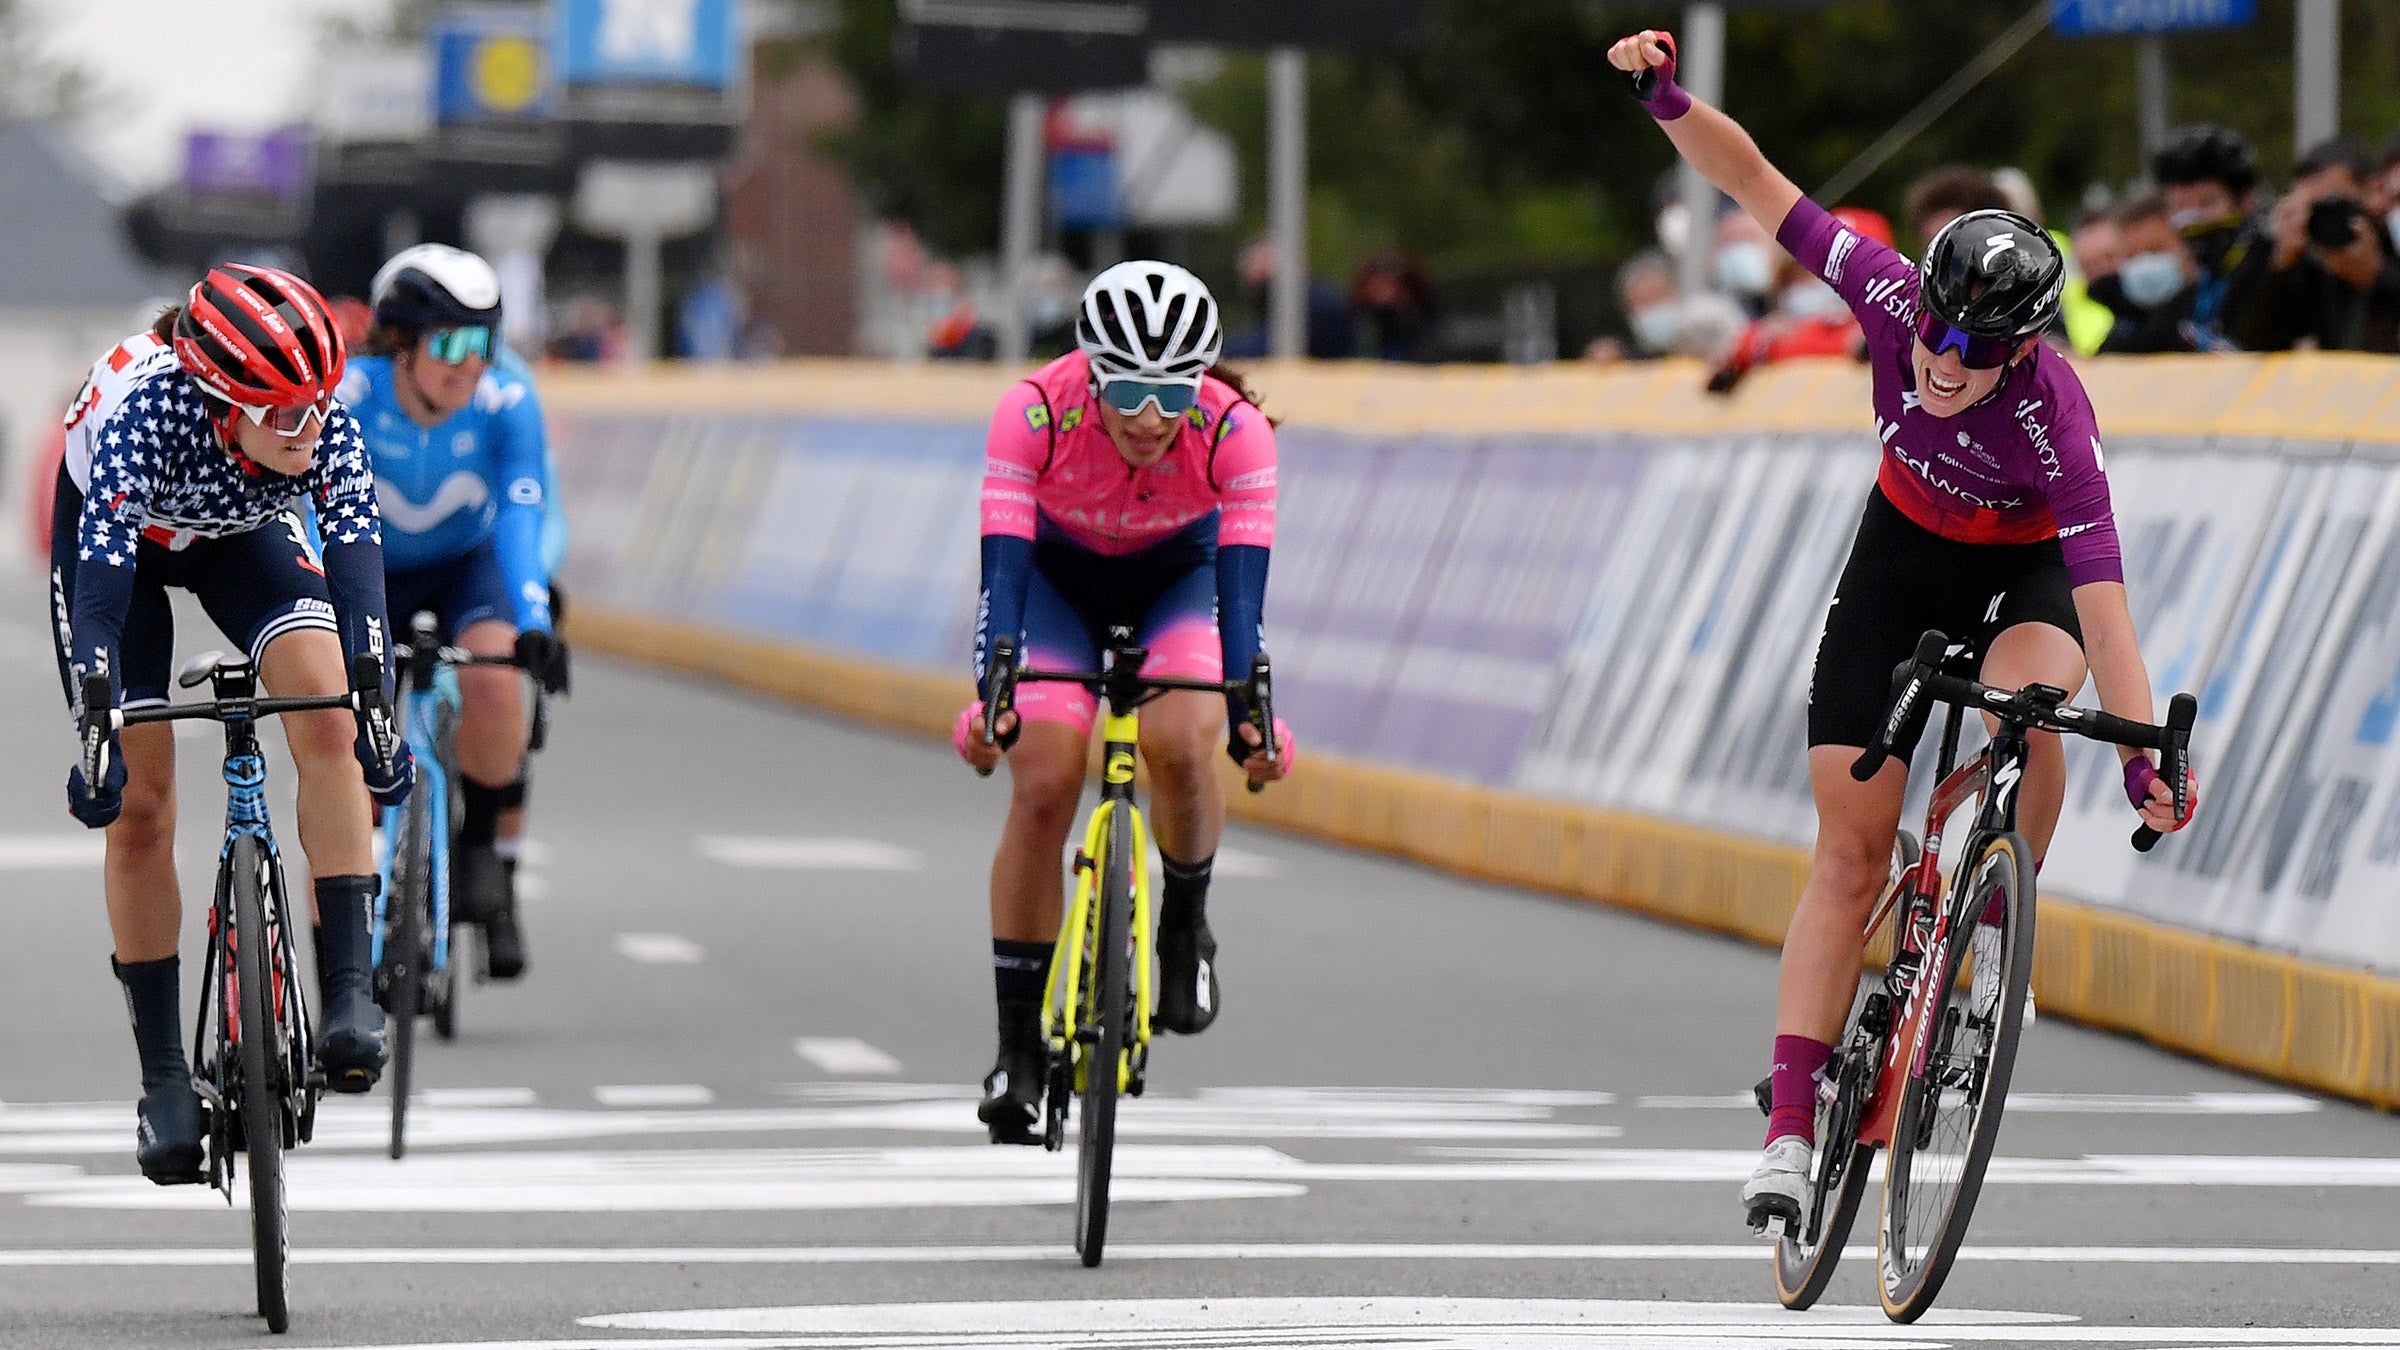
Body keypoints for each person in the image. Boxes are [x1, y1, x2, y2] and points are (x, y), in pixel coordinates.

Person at [1608, 29, 2200, 1233]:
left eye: (1980, 350)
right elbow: (1756, 181)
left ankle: (1992, 920)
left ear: (2027, 347)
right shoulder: (1889, 294)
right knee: (1849, 848)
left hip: (2027, 569)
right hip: (1903, 553)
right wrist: (1664, 99)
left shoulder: (2056, 420)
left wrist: (2141, 749)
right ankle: (1787, 1126)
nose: (1942, 359)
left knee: (2036, 716)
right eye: (1937, 330)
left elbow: (2101, 597)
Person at [51, 264, 412, 1182]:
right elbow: (96, 597)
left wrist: (374, 702)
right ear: (221, 404)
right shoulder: (146, 419)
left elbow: (360, 558)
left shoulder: (312, 424)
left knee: (330, 715)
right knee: (140, 805)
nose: (312, 426)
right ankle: (166, 1079)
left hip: (242, 532)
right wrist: (97, 724)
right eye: (286, 413)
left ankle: (346, 994)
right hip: (122, 552)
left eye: (321, 405)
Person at [955, 260, 1295, 1143]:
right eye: (1132, 389)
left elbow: (1243, 600)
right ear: (1094, 372)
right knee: (1045, 778)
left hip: (1177, 578)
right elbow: (1003, 571)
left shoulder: (1237, 430)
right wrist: (993, 690)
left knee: (1182, 743)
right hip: (1057, 585)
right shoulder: (1032, 411)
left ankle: (1185, 927)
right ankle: (1017, 1050)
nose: (1152, 416)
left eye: (1175, 392)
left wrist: (1253, 707)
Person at [342, 244, 569, 981]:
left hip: (465, 567)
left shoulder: (507, 401)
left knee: (499, 677)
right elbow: (313, 521)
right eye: (456, 343)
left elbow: (522, 515)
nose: (475, 363)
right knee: (350, 720)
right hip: (371, 568)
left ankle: (483, 860)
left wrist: (533, 618)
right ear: (401, 343)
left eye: (488, 342)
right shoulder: (349, 396)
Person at [2221, 138, 2400, 355]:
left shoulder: (2393, 243)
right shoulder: (2309, 268)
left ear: (2374, 191)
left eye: (2332, 204)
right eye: (2311, 210)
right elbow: (2249, 340)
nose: (2323, 220)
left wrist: (2378, 279)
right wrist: (2280, 265)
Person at [1706, 207, 1890, 393]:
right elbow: (1732, 354)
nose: (1818, 280)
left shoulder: (1888, 326)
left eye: (1836, 270)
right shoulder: (1784, 326)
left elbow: (1857, 346)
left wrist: (1773, 345)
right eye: (1809, 271)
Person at [2150, 122, 2264, 349]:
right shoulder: (2180, 287)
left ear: (2245, 203)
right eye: (2180, 207)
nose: (2192, 221)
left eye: (2207, 203)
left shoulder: (2268, 270)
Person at [2094, 193, 2203, 355]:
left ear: (2187, 249)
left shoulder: (2210, 318)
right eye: (2132, 256)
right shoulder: (2122, 332)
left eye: (2156, 250)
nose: (2145, 264)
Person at [1612, 249, 1745, 360]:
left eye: (1657, 297)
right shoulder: (1649, 342)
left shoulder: (1709, 316)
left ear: (1675, 292)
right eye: (1641, 303)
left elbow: (1742, 347)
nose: (1651, 308)